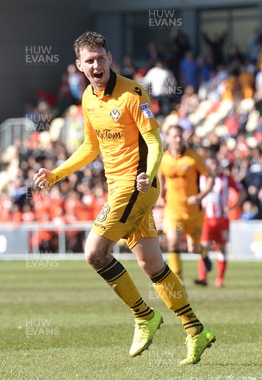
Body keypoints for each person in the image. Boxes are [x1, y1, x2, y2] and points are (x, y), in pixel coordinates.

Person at [33, 31, 215, 365]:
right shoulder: (88, 98)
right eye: (89, 60)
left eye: (101, 58)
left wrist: (149, 171)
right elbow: (91, 146)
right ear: (79, 66)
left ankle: (144, 315)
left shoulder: (133, 93)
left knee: (94, 253)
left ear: (110, 58)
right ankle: (195, 330)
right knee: (152, 264)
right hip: (117, 187)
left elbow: (155, 140)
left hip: (136, 186)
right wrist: (56, 173)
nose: (96, 64)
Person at [157, 125, 214, 285]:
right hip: (173, 210)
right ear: (168, 138)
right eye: (174, 136)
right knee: (173, 242)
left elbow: (211, 178)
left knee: (192, 248)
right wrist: (161, 196)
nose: (177, 139)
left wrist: (200, 196)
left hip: (193, 212)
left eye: (180, 136)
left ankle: (202, 252)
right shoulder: (163, 159)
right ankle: (179, 281)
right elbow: (161, 176)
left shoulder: (193, 158)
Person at [194, 158, 246, 288]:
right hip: (206, 219)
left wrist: (233, 206)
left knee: (222, 249)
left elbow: (242, 192)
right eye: (212, 165)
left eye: (216, 165)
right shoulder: (201, 178)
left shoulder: (226, 179)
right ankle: (203, 277)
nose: (215, 168)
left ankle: (220, 279)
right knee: (204, 247)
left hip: (222, 219)